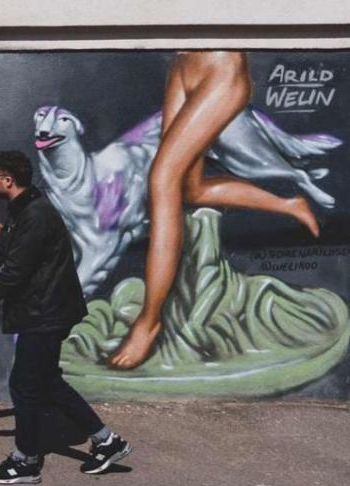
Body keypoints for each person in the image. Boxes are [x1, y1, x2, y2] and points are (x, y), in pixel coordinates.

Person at [108, 51, 321, 369]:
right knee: (189, 189)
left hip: (220, 70)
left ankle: (149, 321)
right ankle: (289, 204)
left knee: (162, 180)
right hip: (183, 65)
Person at [0, 151, 131, 484]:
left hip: (45, 313)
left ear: (8, 180)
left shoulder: (36, 216)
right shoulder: (24, 210)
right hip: (42, 310)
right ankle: (108, 441)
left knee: (24, 385)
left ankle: (27, 461)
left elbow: (15, 272)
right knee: (46, 382)